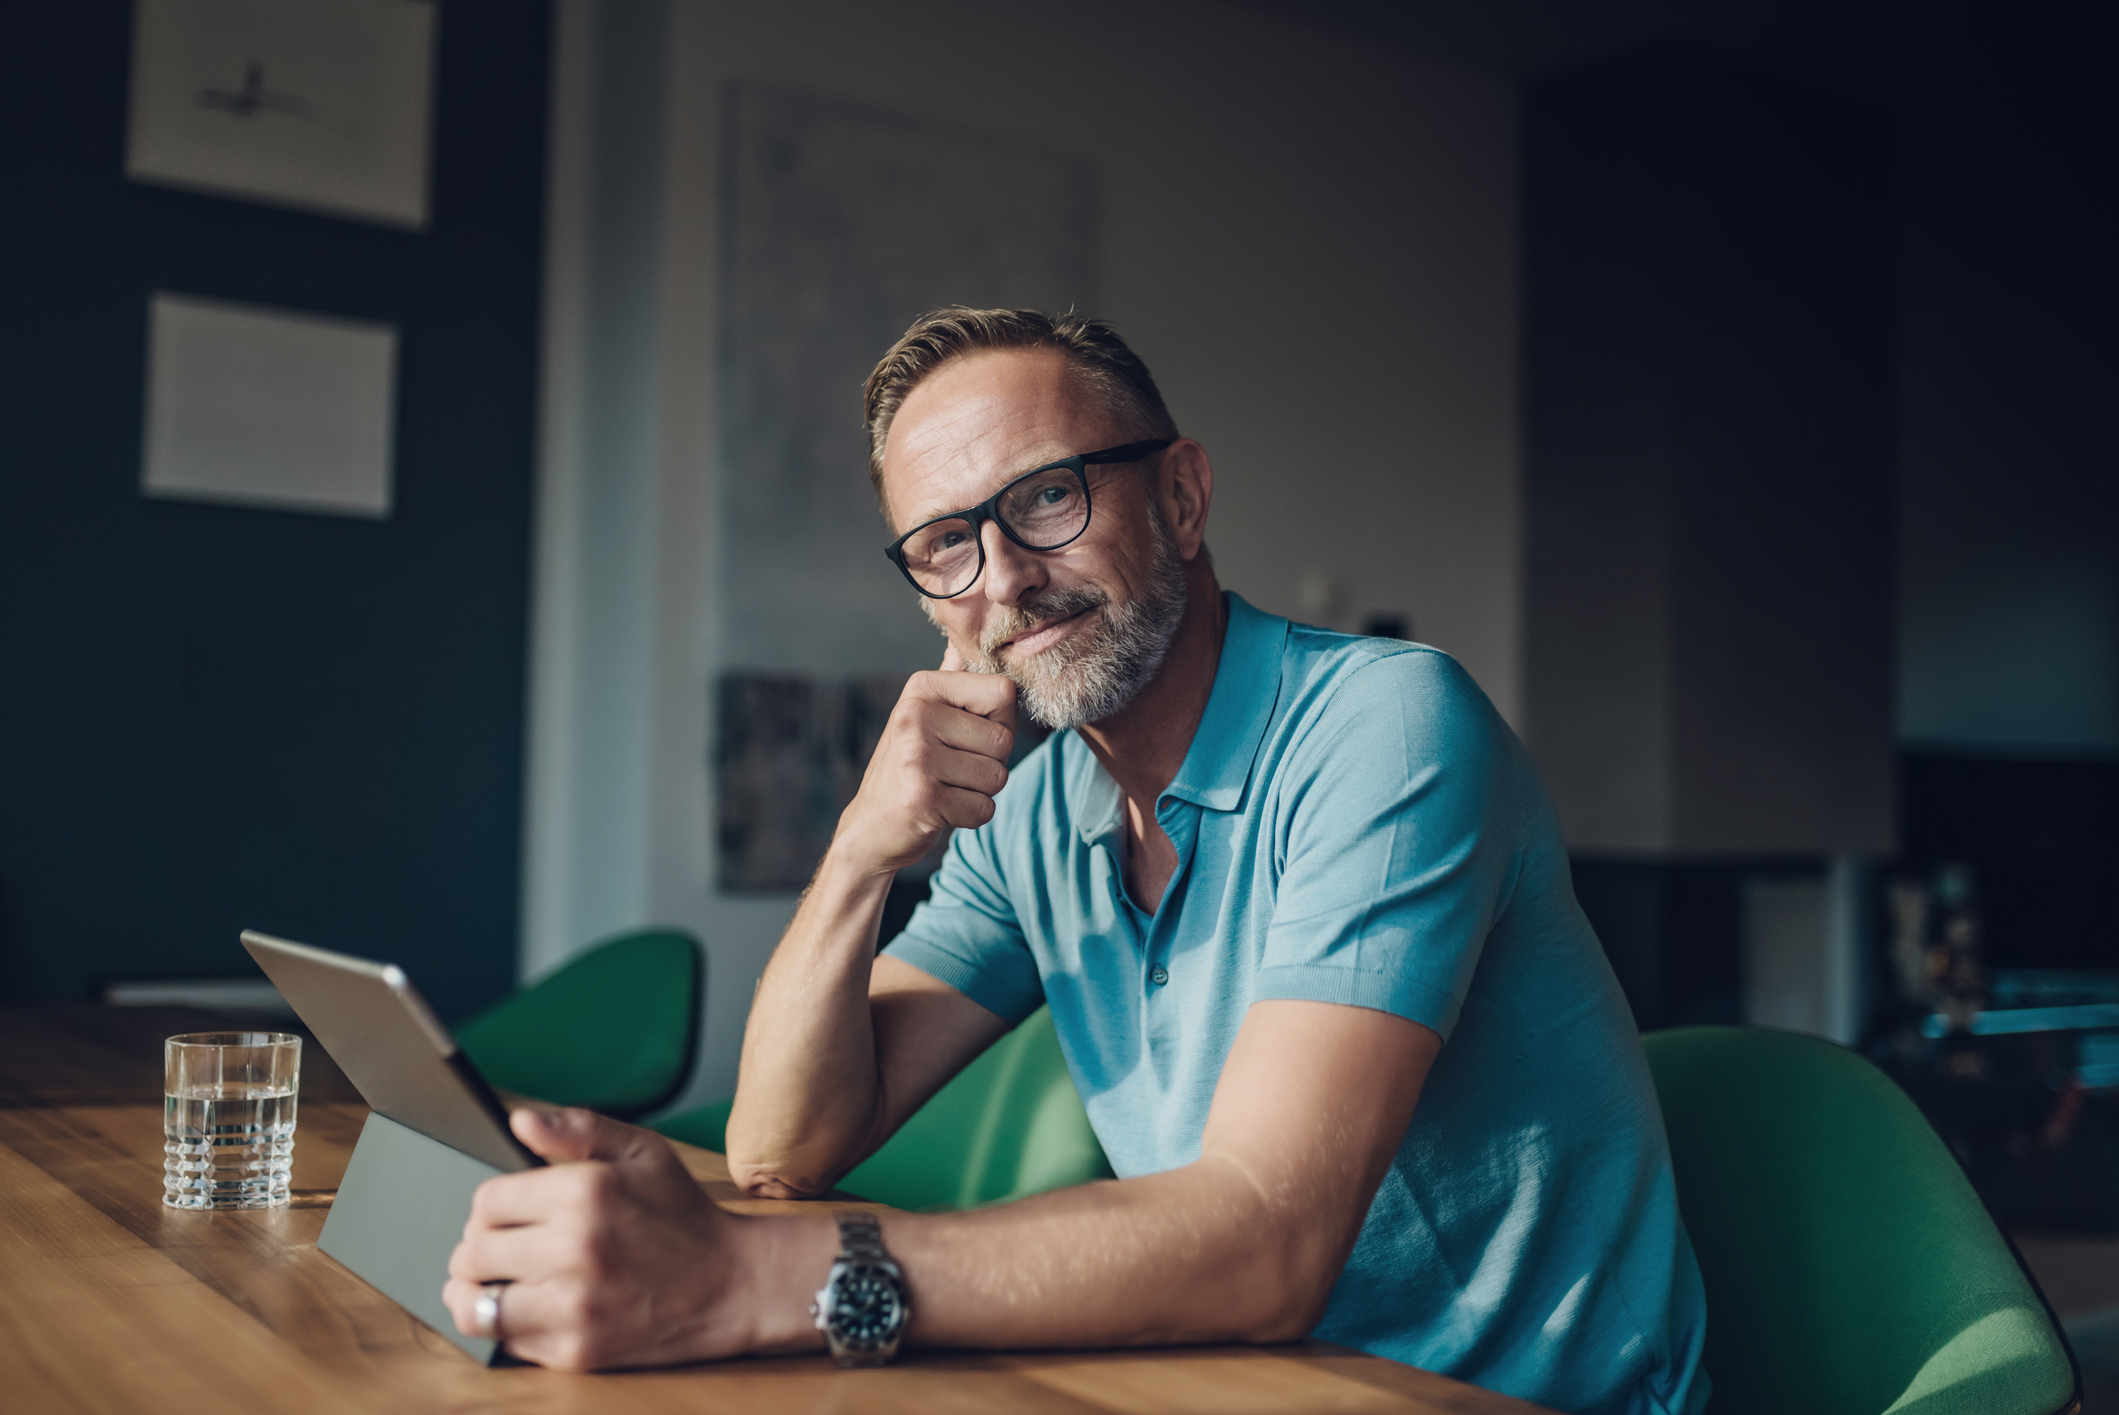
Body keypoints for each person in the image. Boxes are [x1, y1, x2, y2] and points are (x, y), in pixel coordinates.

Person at [445, 308, 1709, 1414]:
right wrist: (858, 855)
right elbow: (785, 1147)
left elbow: (1268, 1236)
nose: (1004, 580)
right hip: (1235, 1379)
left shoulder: (1385, 726)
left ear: (1181, 495)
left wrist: (751, 1277)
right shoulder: (1044, 805)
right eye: (945, 542)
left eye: (1047, 496)